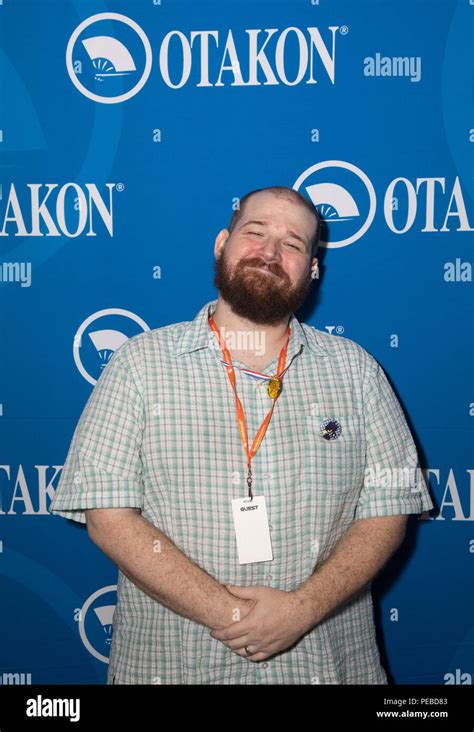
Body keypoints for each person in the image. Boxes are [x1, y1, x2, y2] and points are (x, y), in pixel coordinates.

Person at [49, 185, 434, 684]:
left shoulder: (357, 371)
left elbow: (387, 514)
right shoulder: (139, 365)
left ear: (313, 269)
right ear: (221, 244)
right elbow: (107, 516)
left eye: (293, 244)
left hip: (326, 668)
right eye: (255, 233)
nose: (270, 253)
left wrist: (301, 610)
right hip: (175, 669)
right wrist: (232, 617)